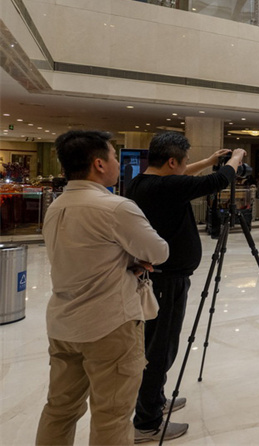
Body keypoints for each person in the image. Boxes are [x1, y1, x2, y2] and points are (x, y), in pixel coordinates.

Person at [35, 130, 168, 446]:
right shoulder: (115, 207)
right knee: (112, 414)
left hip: (63, 322)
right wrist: (133, 260)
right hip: (110, 324)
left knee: (60, 409)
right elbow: (159, 251)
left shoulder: (56, 206)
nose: (116, 164)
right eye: (112, 156)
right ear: (98, 163)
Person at [126, 132, 246, 443]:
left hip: (161, 278)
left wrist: (206, 161)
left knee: (157, 344)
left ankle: (154, 401)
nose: (186, 167)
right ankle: (147, 422)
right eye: (185, 162)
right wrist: (235, 159)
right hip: (167, 281)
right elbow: (216, 182)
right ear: (171, 162)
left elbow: (182, 178)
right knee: (161, 349)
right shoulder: (167, 187)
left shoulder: (143, 182)